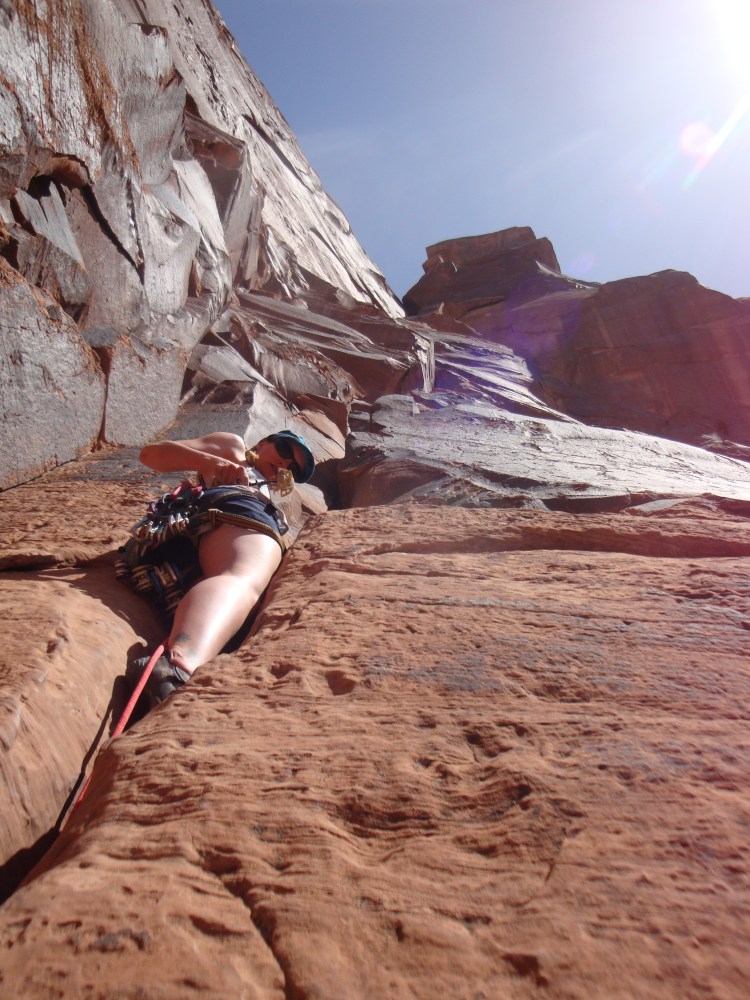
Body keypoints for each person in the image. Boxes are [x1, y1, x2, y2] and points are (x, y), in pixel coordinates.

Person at [126, 429, 315, 708]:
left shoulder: (271, 492)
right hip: (236, 509)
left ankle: (186, 649)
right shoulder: (234, 449)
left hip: (203, 535)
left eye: (294, 468)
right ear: (263, 443)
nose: (285, 464)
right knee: (244, 578)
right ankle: (178, 665)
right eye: (285, 451)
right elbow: (150, 455)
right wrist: (211, 463)